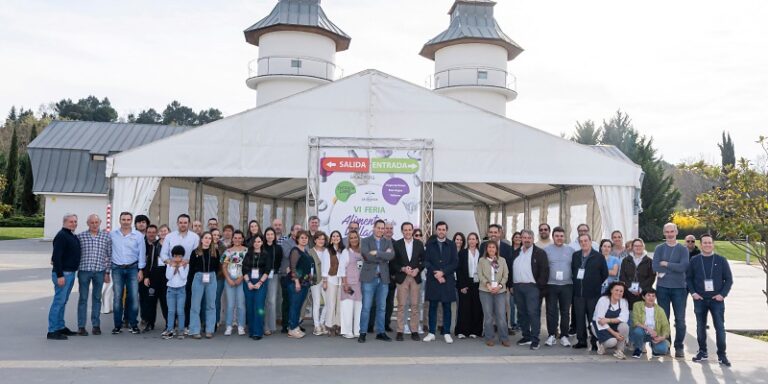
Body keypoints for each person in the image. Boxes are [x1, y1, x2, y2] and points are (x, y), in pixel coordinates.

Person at [688, 234, 733, 367]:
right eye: (704, 243)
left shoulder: (721, 260)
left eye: (709, 243)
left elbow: (729, 279)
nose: (707, 245)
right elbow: (689, 278)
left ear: (713, 244)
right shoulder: (695, 260)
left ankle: (722, 355)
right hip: (700, 299)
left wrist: (722, 294)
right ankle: (702, 352)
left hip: (717, 300)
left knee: (720, 327)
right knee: (700, 327)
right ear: (700, 244)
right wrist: (693, 293)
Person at [652, 223, 690, 358]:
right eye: (667, 232)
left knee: (680, 320)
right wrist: (672, 267)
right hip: (662, 288)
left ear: (676, 232)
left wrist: (666, 264)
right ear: (664, 233)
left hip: (679, 289)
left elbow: (683, 267)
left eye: (672, 231)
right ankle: (666, 344)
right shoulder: (659, 248)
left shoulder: (683, 249)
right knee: (664, 319)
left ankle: (679, 346)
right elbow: (656, 266)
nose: (669, 234)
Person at [508, 229, 549, 350]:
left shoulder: (539, 253)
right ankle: (526, 336)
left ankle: (535, 339)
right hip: (517, 287)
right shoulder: (516, 253)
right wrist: (511, 285)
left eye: (529, 238)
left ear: (532, 238)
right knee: (521, 313)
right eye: (524, 237)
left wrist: (538, 286)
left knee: (533, 313)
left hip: (532, 287)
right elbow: (511, 270)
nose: (526, 240)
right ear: (521, 239)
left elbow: (544, 271)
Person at [358, 220, 395, 343]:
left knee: (382, 307)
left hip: (383, 278)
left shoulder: (388, 241)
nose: (380, 230)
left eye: (382, 228)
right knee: (366, 307)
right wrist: (383, 256)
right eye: (378, 228)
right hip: (369, 278)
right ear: (373, 228)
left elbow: (391, 256)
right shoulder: (365, 240)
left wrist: (377, 253)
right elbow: (367, 256)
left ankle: (381, 332)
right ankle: (362, 332)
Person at [110, 212, 146, 335]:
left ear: (131, 221)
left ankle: (133, 324)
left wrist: (141, 270)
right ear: (119, 220)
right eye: (123, 219)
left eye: (128, 219)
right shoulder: (113, 235)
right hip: (117, 269)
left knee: (134, 298)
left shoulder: (138, 236)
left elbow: (142, 253)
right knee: (117, 298)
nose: (126, 221)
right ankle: (117, 325)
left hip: (133, 268)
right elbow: (108, 251)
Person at [423, 221, 458, 344]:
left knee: (447, 307)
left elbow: (455, 263)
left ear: (446, 231)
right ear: (436, 230)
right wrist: (436, 274)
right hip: (433, 280)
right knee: (432, 306)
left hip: (447, 280)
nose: (441, 231)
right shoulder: (430, 244)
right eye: (439, 229)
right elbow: (426, 262)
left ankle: (447, 332)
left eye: (443, 229)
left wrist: (443, 273)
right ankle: (431, 332)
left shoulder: (452, 245)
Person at [571, 233, 608, 350]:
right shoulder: (576, 255)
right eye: (581, 241)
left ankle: (594, 341)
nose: (583, 243)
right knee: (580, 318)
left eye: (585, 240)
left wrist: (595, 285)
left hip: (593, 295)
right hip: (578, 294)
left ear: (590, 242)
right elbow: (573, 271)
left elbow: (605, 274)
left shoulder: (598, 256)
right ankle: (581, 341)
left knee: (593, 318)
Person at [47, 214, 81, 340]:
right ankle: (52, 330)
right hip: (63, 274)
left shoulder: (71, 235)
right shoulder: (61, 236)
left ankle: (60, 327)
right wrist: (60, 275)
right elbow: (56, 257)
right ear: (65, 222)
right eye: (71, 221)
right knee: (58, 302)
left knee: (63, 302)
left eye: (75, 221)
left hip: (71, 273)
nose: (74, 224)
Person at [76, 214, 111, 336]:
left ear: (100, 222)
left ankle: (96, 325)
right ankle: (81, 326)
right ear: (87, 223)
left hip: (99, 271)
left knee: (97, 298)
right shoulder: (81, 237)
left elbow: (109, 255)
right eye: (92, 222)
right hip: (84, 271)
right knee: (83, 299)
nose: (94, 225)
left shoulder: (106, 237)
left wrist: (107, 272)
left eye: (96, 222)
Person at [391, 222, 425, 341]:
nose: (408, 232)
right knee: (401, 305)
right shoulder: (397, 244)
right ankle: (400, 331)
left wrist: (418, 269)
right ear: (402, 231)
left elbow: (424, 261)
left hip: (415, 278)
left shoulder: (419, 244)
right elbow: (393, 263)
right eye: (405, 230)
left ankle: (414, 330)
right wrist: (403, 268)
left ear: (412, 230)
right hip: (402, 278)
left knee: (415, 305)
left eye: (409, 230)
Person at [481, 224, 515, 333]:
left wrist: (509, 285)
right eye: (491, 232)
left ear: (500, 233)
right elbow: (481, 265)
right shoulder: (483, 246)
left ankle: (506, 328)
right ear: (488, 233)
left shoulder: (507, 248)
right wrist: (486, 283)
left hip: (502, 284)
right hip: (487, 285)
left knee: (504, 307)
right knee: (489, 308)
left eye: (495, 232)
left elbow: (509, 267)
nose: (493, 234)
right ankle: (491, 328)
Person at [544, 226, 574, 347]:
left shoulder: (571, 250)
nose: (559, 238)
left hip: (567, 285)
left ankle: (564, 335)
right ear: (553, 237)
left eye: (561, 236)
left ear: (564, 236)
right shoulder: (546, 250)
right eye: (557, 236)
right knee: (551, 311)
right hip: (551, 285)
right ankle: (552, 335)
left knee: (565, 311)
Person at [188, 232, 220, 339]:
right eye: (205, 238)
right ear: (201, 239)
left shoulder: (215, 252)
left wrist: (212, 275)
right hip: (198, 277)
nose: (207, 240)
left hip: (211, 277)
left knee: (211, 304)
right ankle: (195, 330)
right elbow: (191, 268)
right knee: (195, 305)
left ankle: (209, 329)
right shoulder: (195, 252)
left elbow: (217, 267)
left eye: (209, 238)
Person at [478, 241, 509, 346]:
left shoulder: (502, 260)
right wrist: (488, 285)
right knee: (488, 316)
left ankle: (504, 338)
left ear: (496, 249)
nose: (491, 249)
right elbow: (480, 274)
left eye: (493, 247)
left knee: (501, 316)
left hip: (500, 291)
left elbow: (506, 275)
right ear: (486, 249)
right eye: (489, 247)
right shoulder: (482, 260)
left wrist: (500, 286)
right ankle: (489, 338)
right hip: (485, 290)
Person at [243, 233, 273, 340]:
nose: (257, 243)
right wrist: (249, 283)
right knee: (250, 306)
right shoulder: (248, 254)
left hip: (261, 281)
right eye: (255, 241)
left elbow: (267, 270)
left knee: (259, 306)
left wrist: (260, 282)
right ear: (252, 243)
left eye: (259, 241)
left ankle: (258, 332)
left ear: (262, 243)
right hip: (249, 282)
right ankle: (251, 330)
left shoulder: (266, 255)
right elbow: (244, 270)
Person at [455, 232, 483, 339]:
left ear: (477, 241)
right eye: (470, 239)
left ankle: (475, 331)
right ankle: (462, 331)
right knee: (464, 307)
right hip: (465, 282)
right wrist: (462, 285)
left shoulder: (481, 253)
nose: (471, 241)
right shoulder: (462, 253)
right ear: (468, 241)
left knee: (477, 307)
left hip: (478, 283)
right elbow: (459, 270)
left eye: (473, 239)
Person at [592, 281, 630, 359]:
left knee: (624, 326)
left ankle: (619, 350)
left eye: (621, 291)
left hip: (612, 324)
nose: (619, 293)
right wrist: (614, 333)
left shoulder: (624, 301)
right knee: (612, 342)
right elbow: (600, 321)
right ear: (611, 290)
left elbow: (624, 318)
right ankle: (601, 344)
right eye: (616, 290)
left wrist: (608, 320)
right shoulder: (603, 300)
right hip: (599, 326)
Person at [141, 224, 167, 333]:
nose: (163, 233)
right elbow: (148, 263)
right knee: (151, 300)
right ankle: (150, 323)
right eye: (161, 231)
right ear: (158, 233)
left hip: (166, 276)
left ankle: (169, 323)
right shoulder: (154, 245)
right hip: (154, 275)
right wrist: (146, 276)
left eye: (165, 231)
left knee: (165, 301)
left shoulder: (171, 244)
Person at [287, 231, 314, 338]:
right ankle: (292, 329)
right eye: (302, 238)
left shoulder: (306, 251)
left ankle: (294, 327)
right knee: (294, 306)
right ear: (297, 239)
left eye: (306, 238)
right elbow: (293, 268)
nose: (304, 239)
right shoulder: (295, 250)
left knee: (298, 306)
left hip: (305, 283)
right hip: (296, 283)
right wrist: (297, 282)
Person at [630, 288, 670, 359]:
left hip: (655, 335)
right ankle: (638, 348)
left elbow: (666, 326)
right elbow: (635, 321)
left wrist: (662, 337)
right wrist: (648, 328)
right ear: (643, 297)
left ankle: (654, 347)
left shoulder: (660, 310)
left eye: (653, 296)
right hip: (642, 332)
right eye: (648, 295)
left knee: (663, 349)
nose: (651, 298)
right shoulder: (637, 305)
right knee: (638, 331)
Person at [221, 230, 247, 336]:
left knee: (241, 304)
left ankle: (241, 326)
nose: (237, 240)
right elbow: (224, 266)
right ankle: (229, 326)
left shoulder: (246, 251)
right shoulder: (228, 251)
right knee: (230, 304)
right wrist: (228, 279)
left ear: (242, 239)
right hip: (230, 279)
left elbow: (248, 266)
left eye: (239, 238)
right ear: (232, 239)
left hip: (242, 278)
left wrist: (241, 278)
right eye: (235, 238)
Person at [619, 238, 656, 309]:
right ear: (632, 247)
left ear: (643, 247)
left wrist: (640, 288)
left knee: (642, 313)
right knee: (629, 313)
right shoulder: (626, 260)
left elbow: (652, 277)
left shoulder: (649, 261)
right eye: (636, 246)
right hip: (628, 292)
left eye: (640, 246)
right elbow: (622, 276)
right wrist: (630, 288)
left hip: (643, 293)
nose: (638, 247)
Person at [279, 224, 302, 333]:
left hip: (299, 276)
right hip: (286, 275)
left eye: (300, 229)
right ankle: (285, 325)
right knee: (287, 301)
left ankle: (294, 324)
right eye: (297, 229)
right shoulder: (286, 242)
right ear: (292, 232)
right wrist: (299, 248)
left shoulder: (303, 242)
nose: (299, 231)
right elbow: (288, 254)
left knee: (297, 301)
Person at [322, 230, 344, 336]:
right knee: (331, 303)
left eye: (337, 236)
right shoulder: (327, 251)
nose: (335, 238)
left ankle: (338, 325)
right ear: (331, 239)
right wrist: (325, 281)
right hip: (331, 279)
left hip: (341, 281)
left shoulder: (343, 250)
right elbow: (325, 266)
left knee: (340, 305)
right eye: (333, 236)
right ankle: (329, 325)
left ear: (340, 238)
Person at [163, 245, 189, 340]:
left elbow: (183, 277)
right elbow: (168, 277)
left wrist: (181, 267)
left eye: (179, 256)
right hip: (170, 290)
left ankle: (181, 331)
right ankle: (170, 330)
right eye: (175, 256)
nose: (177, 258)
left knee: (180, 311)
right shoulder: (169, 264)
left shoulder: (186, 265)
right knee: (171, 311)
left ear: (182, 256)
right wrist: (173, 267)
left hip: (181, 290)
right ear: (172, 256)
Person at [339, 230, 362, 338]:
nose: (354, 239)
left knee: (359, 308)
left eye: (355, 237)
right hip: (349, 284)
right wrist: (345, 284)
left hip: (360, 284)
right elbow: (342, 269)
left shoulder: (362, 252)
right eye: (351, 238)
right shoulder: (345, 252)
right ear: (348, 240)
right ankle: (347, 331)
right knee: (347, 308)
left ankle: (357, 330)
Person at [263, 227, 284, 336]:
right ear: (265, 236)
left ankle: (271, 326)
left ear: (274, 236)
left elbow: (280, 261)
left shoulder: (278, 248)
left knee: (271, 301)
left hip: (273, 275)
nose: (270, 236)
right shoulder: (261, 246)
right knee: (263, 300)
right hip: (261, 276)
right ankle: (263, 325)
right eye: (268, 234)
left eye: (272, 234)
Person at [308, 231, 328, 336]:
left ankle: (321, 323)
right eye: (319, 239)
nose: (321, 241)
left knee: (327, 302)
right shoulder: (310, 251)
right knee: (316, 303)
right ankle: (316, 326)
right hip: (315, 280)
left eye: (323, 239)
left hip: (326, 280)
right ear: (315, 240)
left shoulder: (327, 251)